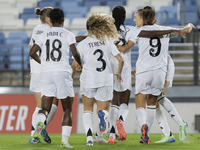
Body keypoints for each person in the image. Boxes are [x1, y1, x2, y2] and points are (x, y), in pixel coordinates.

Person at [108, 5, 185, 144]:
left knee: (139, 104)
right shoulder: (165, 30)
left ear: (143, 18)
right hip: (161, 71)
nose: (134, 19)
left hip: (143, 71)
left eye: (136, 17)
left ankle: (143, 130)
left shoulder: (139, 31)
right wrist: (183, 28)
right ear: (155, 17)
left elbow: (125, 48)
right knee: (153, 103)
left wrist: (111, 46)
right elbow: (187, 29)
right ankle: (152, 132)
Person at [29, 8, 82, 148]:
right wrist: (80, 63)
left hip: (46, 73)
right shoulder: (68, 34)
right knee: (67, 109)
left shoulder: (43, 33)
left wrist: (44, 63)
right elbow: (74, 52)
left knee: (44, 107)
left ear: (50, 20)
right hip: (62, 72)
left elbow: (32, 52)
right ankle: (64, 142)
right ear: (63, 20)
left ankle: (38, 125)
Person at [76, 12, 124, 146]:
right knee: (103, 111)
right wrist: (118, 72)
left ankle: (90, 139)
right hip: (105, 79)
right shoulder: (107, 42)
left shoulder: (83, 44)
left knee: (87, 110)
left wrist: (75, 70)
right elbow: (120, 59)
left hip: (88, 80)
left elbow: (75, 65)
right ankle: (101, 129)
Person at [29, 7, 58, 144]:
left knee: (39, 105)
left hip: (35, 70)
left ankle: (33, 136)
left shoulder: (36, 29)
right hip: (47, 69)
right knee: (53, 102)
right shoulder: (50, 30)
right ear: (48, 19)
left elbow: (31, 49)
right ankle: (42, 127)